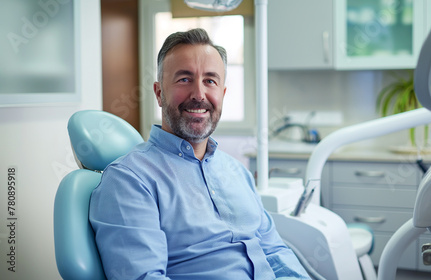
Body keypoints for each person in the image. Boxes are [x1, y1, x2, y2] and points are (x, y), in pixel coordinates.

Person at [89, 28, 310, 280]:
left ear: (222, 94)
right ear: (159, 93)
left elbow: (274, 253)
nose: (199, 94)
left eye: (210, 81)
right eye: (184, 79)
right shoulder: (130, 181)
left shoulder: (237, 172)